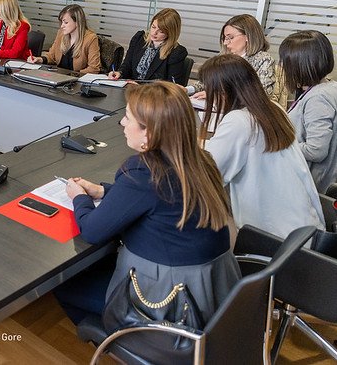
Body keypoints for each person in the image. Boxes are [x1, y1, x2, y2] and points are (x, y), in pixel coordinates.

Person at [54, 81, 238, 325]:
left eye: (127, 118)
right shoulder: (201, 160)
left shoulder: (144, 171)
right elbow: (162, 199)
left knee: (63, 283)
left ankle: (123, 338)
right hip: (212, 290)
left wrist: (79, 197)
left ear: (148, 134)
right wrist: (103, 191)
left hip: (169, 302)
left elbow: (91, 230)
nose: (122, 123)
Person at [200, 54, 324, 238]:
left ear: (224, 91)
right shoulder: (273, 109)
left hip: (273, 238)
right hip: (304, 229)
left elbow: (208, 174)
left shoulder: (239, 121)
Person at [279, 30, 337, 193]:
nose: (281, 65)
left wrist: (279, 146)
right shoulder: (330, 87)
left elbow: (316, 150)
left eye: (285, 61)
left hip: (312, 186)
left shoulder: (318, 98)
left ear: (300, 64)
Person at [188, 14, 277, 100]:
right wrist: (187, 90)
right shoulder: (223, 57)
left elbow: (263, 95)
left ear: (248, 37)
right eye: (225, 38)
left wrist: (218, 96)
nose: (225, 43)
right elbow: (205, 83)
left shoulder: (264, 60)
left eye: (230, 37)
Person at [108, 8, 187, 83]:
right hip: (129, 88)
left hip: (151, 92)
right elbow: (127, 66)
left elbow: (172, 86)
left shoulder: (177, 52)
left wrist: (141, 87)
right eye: (153, 27)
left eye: (161, 31)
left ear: (171, 33)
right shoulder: (139, 38)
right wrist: (119, 73)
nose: (154, 33)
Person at [27, 4, 101, 74]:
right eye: (62, 22)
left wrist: (73, 75)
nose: (62, 26)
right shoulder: (61, 33)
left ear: (77, 22)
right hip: (58, 76)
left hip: (76, 79)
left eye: (66, 22)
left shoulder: (91, 38)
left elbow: (94, 68)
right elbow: (51, 56)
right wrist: (39, 59)